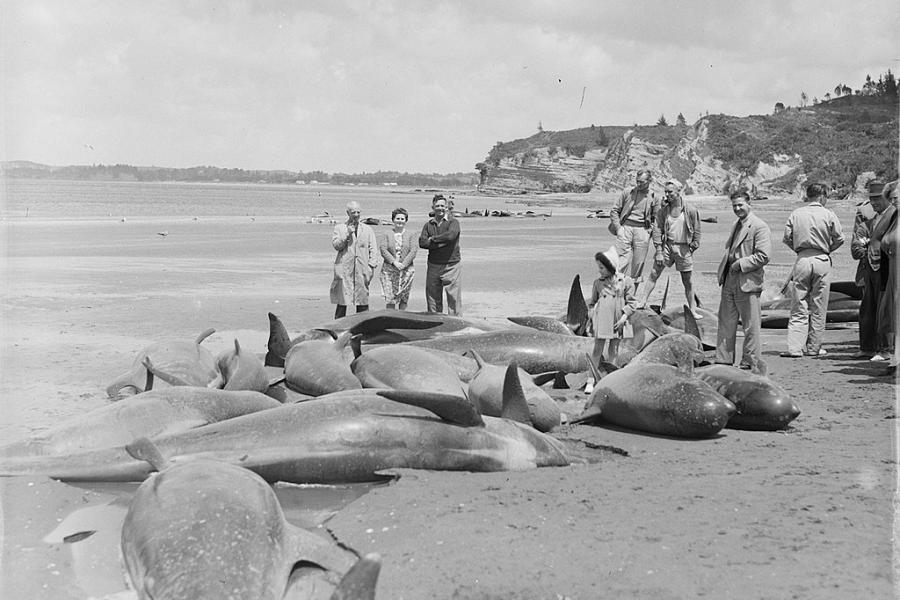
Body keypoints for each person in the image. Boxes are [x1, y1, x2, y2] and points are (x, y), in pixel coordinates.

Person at [780, 183, 844, 358]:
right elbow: (840, 238)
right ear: (822, 196)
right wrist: (827, 249)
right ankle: (814, 347)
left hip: (802, 259)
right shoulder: (828, 214)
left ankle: (794, 348)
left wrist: (799, 250)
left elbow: (786, 238)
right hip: (822, 259)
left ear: (807, 196)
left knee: (798, 303)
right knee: (819, 305)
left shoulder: (796, 214)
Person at [714, 190, 772, 374]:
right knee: (725, 321)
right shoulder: (736, 224)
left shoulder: (759, 226)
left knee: (750, 324)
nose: (737, 208)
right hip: (729, 278)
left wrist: (741, 264)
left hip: (747, 279)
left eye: (740, 205)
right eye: (734, 206)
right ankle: (723, 360)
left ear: (749, 203)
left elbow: (764, 256)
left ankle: (750, 361)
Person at [637, 178, 702, 318]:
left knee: (687, 281)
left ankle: (693, 309)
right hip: (667, 246)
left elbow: (697, 232)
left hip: (683, 247)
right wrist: (659, 251)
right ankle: (642, 301)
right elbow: (657, 230)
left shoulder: (690, 210)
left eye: (670, 192)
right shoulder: (663, 211)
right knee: (654, 274)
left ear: (679, 191)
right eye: (666, 192)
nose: (667, 194)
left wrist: (691, 249)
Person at [850, 180, 892, 359]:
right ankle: (867, 346)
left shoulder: (893, 218)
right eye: (871, 199)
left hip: (887, 269)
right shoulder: (867, 221)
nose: (874, 202)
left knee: (885, 308)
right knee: (867, 309)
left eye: (878, 198)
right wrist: (867, 250)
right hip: (869, 269)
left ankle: (885, 349)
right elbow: (856, 247)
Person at [587, 246, 637, 369]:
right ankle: (591, 378)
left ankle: (611, 373)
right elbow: (592, 303)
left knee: (613, 350)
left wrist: (623, 318)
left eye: (602, 268)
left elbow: (632, 303)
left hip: (618, 321)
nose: (599, 271)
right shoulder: (598, 283)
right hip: (602, 321)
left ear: (610, 267)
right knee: (597, 350)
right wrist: (591, 319)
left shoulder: (626, 282)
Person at [330, 201, 380, 319]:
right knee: (342, 300)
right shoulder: (339, 228)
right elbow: (337, 246)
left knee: (362, 301)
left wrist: (371, 267)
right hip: (344, 269)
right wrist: (347, 234)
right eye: (353, 212)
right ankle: (338, 328)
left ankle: (363, 327)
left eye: (358, 212)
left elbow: (373, 249)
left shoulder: (367, 229)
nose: (356, 215)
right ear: (348, 213)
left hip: (362, 269)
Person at [608, 170, 657, 283]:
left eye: (642, 182)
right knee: (620, 262)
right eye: (637, 181)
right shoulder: (627, 192)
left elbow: (657, 217)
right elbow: (614, 211)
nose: (638, 184)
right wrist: (619, 228)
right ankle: (614, 293)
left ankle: (631, 296)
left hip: (642, 230)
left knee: (638, 264)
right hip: (626, 228)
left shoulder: (654, 197)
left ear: (649, 181)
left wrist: (649, 231)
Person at [419, 194, 462, 315]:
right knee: (432, 299)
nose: (440, 208)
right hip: (433, 265)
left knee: (454, 299)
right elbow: (422, 242)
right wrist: (441, 242)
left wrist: (432, 239)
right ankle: (435, 323)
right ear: (432, 207)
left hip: (451, 265)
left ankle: (456, 324)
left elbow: (451, 236)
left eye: (442, 206)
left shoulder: (454, 222)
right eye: (437, 206)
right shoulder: (428, 225)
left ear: (447, 207)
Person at [873, 181, 898, 363]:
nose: (894, 199)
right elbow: (879, 239)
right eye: (892, 196)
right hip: (893, 273)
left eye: (896, 195)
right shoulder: (894, 216)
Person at [378, 207, 417, 310]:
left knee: (404, 297)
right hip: (389, 270)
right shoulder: (386, 233)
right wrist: (394, 262)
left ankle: (402, 318)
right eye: (397, 218)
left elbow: (413, 251)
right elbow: (383, 249)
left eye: (402, 219)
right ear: (393, 220)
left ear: (406, 220)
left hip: (406, 270)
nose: (400, 221)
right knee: (390, 297)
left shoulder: (411, 234)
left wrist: (404, 264)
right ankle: (390, 319)